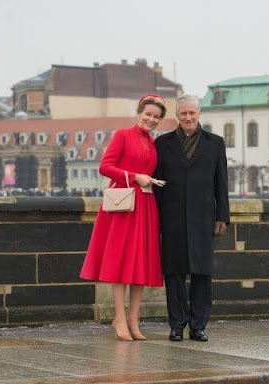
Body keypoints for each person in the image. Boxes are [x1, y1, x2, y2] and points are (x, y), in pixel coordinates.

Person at [80, 94, 167, 341]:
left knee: (140, 261)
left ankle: (133, 319)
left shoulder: (152, 142)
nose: (152, 119)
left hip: (145, 204)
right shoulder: (123, 135)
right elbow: (104, 167)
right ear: (139, 113)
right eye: (148, 114)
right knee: (120, 261)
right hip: (123, 205)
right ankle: (119, 317)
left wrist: (146, 179)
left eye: (157, 117)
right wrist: (134, 176)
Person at [154, 94, 230, 342]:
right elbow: (157, 185)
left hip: (203, 217)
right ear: (177, 115)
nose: (188, 117)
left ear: (199, 114)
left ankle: (198, 325)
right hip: (172, 215)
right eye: (183, 113)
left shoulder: (215, 143)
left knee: (202, 272)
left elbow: (221, 184)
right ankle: (177, 324)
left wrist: (222, 217)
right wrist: (155, 218)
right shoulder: (162, 144)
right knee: (174, 273)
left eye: (192, 113)